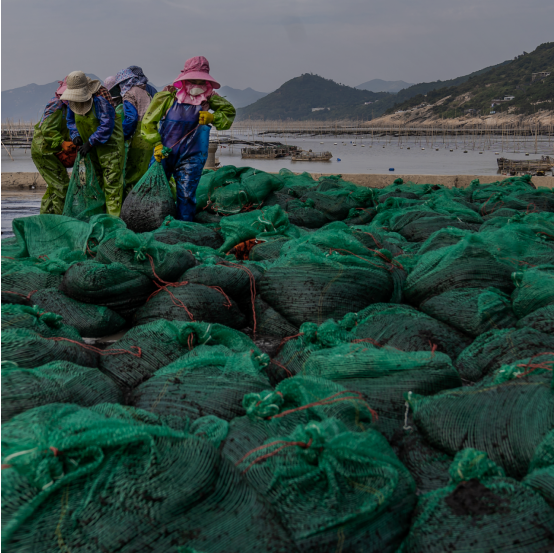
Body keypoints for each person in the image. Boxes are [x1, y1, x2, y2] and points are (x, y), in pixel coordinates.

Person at [142, 56, 235, 221]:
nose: (197, 85)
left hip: (193, 156)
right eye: (193, 80)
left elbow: (228, 114)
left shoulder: (210, 99)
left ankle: (183, 227)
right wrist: (156, 145)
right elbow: (149, 122)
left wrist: (212, 118)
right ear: (184, 79)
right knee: (154, 189)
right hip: (164, 152)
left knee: (186, 195)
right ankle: (151, 223)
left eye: (201, 82)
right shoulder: (168, 97)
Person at [61, 71, 125, 217]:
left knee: (112, 183)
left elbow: (106, 125)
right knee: (94, 183)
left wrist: (90, 142)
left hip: (110, 148)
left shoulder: (99, 100)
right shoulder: (72, 103)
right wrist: (76, 135)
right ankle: (99, 217)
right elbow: (71, 122)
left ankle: (113, 222)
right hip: (89, 150)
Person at [31, 76, 76, 214]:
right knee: (61, 186)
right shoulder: (56, 104)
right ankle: (59, 221)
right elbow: (47, 128)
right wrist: (61, 143)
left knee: (54, 186)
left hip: (53, 150)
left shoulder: (68, 107)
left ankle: (46, 219)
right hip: (44, 150)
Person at [108, 66, 156, 193]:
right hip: (150, 134)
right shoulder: (145, 92)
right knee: (143, 169)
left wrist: (123, 136)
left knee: (132, 172)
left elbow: (131, 118)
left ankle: (131, 203)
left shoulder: (129, 94)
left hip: (138, 137)